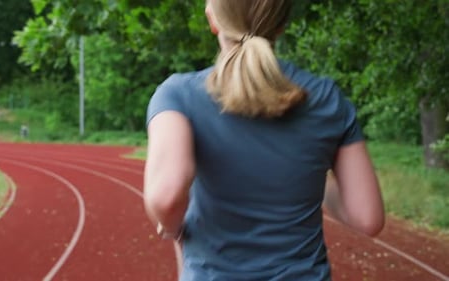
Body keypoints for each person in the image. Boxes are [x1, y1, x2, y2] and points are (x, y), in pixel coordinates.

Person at [144, 0, 385, 280]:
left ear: (213, 20)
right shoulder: (327, 98)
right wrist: (312, 172)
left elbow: (167, 197)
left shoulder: (177, 95)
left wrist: (172, 228)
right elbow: (368, 218)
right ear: (281, 25)